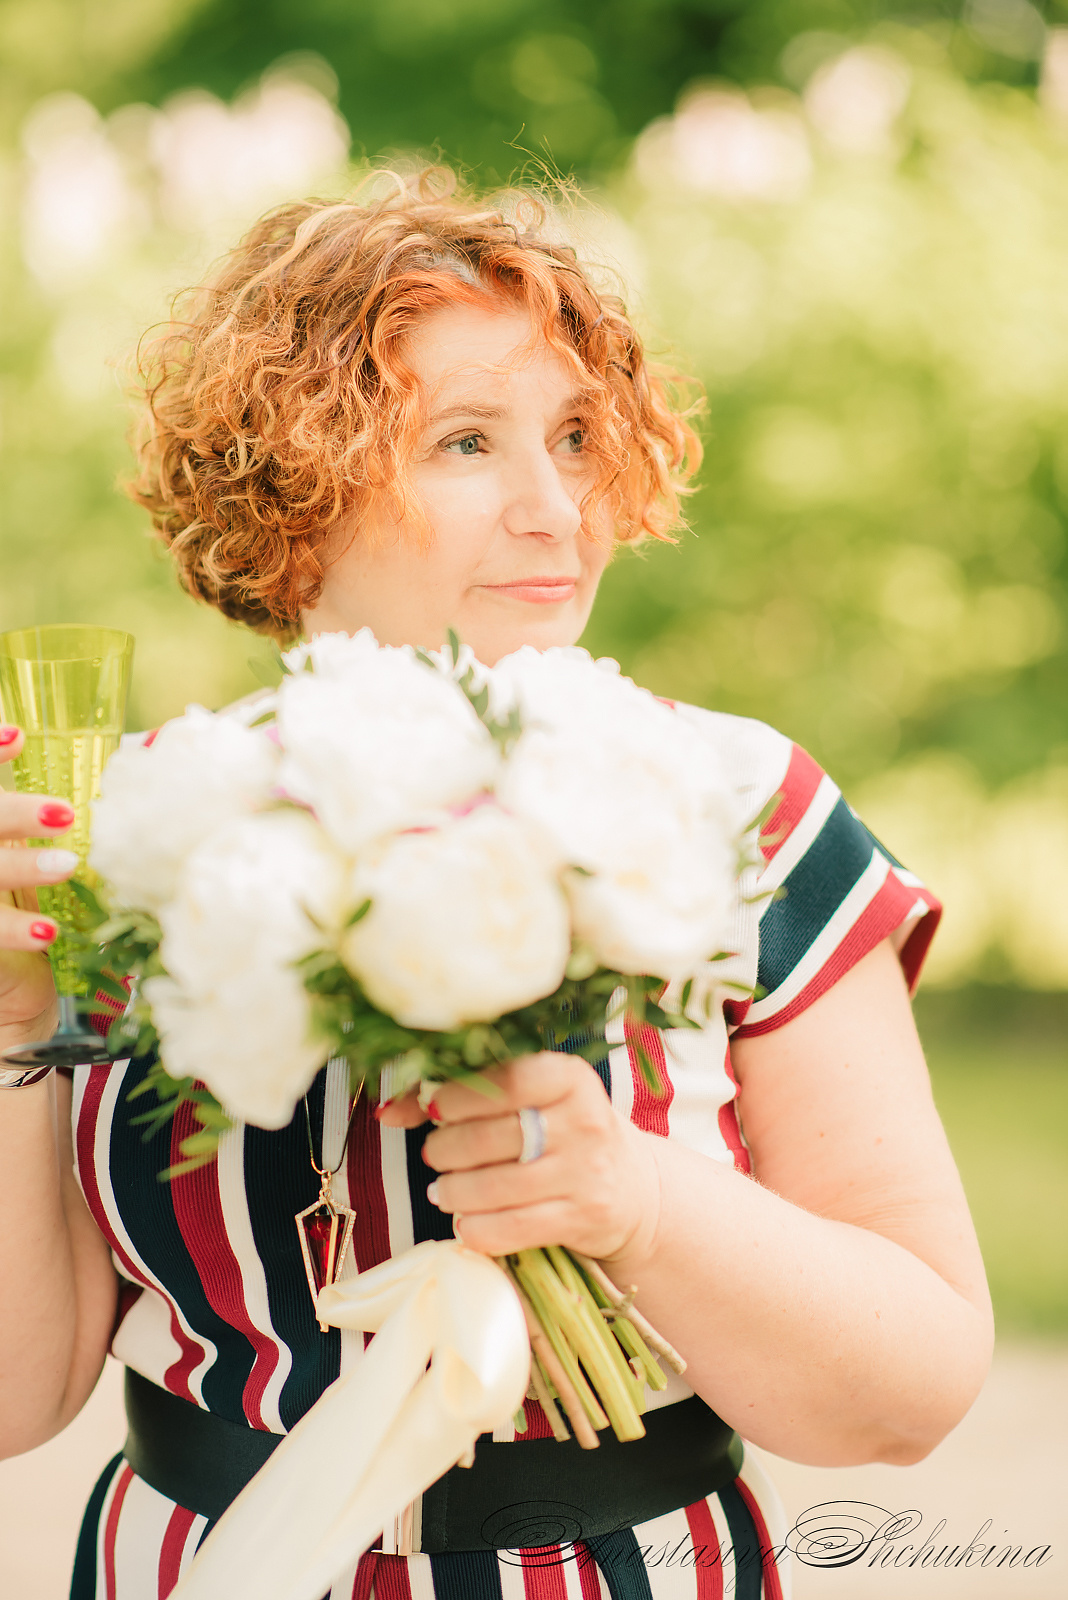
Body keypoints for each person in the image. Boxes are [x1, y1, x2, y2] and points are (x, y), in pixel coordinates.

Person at [0, 170, 993, 1600]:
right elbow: (19, 1394)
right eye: (467, 443)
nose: (556, 509)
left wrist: (632, 1200)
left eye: (580, 439)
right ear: (297, 480)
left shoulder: (742, 808)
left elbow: (913, 1390)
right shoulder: (138, 839)